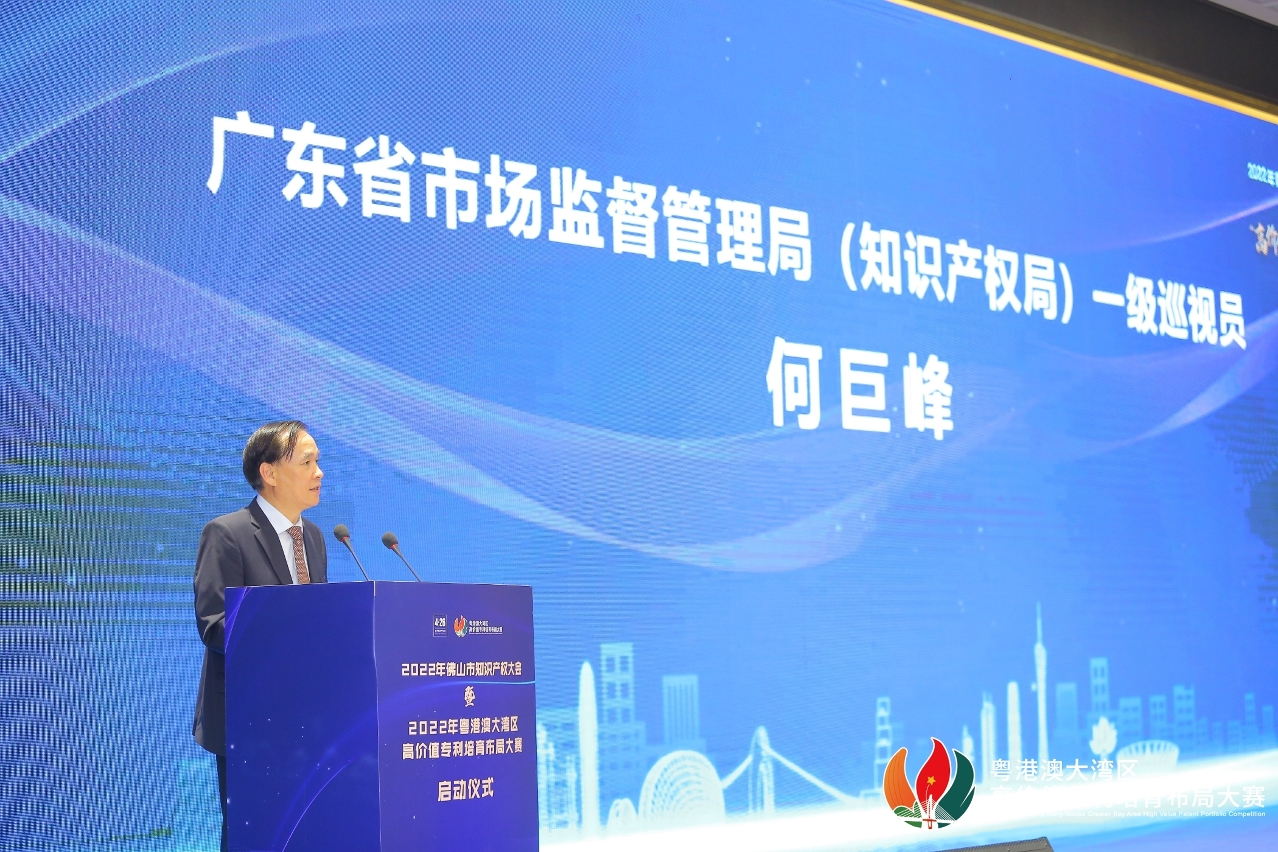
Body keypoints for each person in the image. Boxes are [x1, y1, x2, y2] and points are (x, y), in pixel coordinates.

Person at [192, 420, 327, 852]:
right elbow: (214, 624)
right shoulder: (227, 534)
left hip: (308, 719)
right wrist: (288, 639)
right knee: (252, 837)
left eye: (318, 462)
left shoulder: (314, 537)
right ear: (269, 473)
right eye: (306, 462)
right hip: (250, 721)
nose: (319, 472)